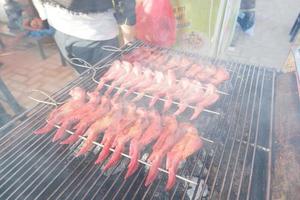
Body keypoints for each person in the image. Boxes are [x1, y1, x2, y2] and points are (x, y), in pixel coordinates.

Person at [32, 0, 136, 74]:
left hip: (91, 34)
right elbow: (126, 5)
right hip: (65, 30)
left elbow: (126, 4)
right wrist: (42, 16)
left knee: (99, 81)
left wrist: (42, 16)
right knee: (94, 81)